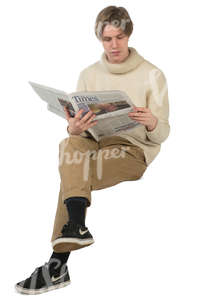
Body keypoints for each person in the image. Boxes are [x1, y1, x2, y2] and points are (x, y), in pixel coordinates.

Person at [15, 5, 170, 295]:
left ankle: (58, 260)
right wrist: (74, 127)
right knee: (70, 142)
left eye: (119, 37)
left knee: (72, 171)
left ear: (129, 35)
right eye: (107, 39)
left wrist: (152, 123)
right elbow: (82, 126)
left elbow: (163, 132)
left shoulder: (152, 75)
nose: (114, 45)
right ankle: (73, 234)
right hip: (96, 141)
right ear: (99, 38)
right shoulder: (89, 74)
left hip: (132, 150)